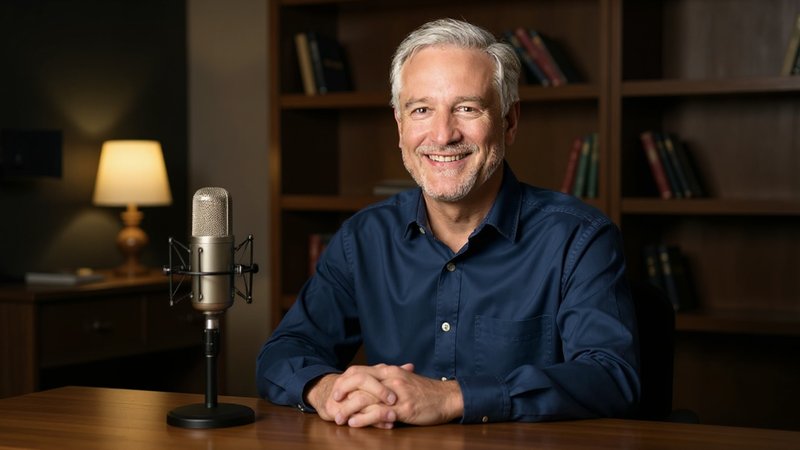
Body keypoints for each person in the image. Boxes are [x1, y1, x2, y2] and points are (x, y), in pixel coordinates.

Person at [257, 18, 639, 428]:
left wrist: (452, 397)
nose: (442, 135)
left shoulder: (578, 239)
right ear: (400, 126)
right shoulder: (363, 239)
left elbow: (612, 376)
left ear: (509, 122)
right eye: (421, 110)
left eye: (467, 108)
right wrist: (327, 389)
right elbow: (283, 353)